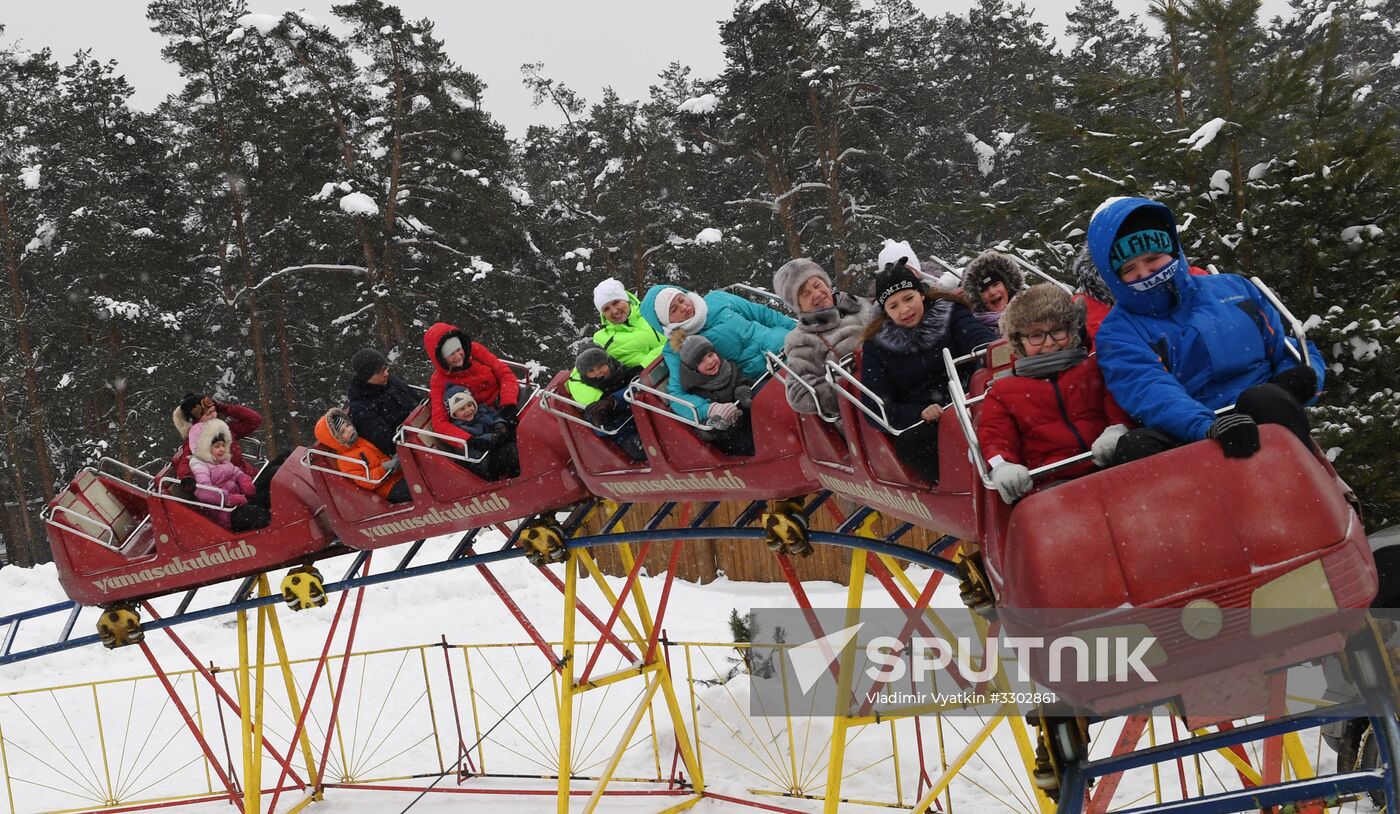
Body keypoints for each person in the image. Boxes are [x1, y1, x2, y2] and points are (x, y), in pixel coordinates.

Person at [1087, 196, 1326, 464]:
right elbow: (1150, 389)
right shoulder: (1119, 332)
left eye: (1153, 258)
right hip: (1187, 430)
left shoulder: (1233, 291)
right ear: (1113, 277)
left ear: (1173, 251)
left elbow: (1285, 348)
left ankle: (1292, 485)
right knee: (1138, 447)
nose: (1145, 273)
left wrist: (1299, 378)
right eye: (1129, 269)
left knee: (1268, 399)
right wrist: (1205, 426)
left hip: (1258, 406)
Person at [975, 284, 1134, 504]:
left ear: (1071, 330)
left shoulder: (1094, 368)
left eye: (1058, 331)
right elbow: (995, 436)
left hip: (1112, 462)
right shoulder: (1003, 392)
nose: (1049, 344)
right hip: (1053, 483)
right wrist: (1003, 465)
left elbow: (1117, 401)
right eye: (1036, 336)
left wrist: (1117, 428)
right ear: (1019, 341)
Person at [859, 258, 997, 483]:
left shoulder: (950, 313)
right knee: (912, 445)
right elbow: (875, 405)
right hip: (931, 420)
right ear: (885, 311)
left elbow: (980, 341)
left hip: (972, 399)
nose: (905, 310)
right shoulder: (876, 345)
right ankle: (963, 486)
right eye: (894, 306)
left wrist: (982, 366)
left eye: (909, 298)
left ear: (921, 293)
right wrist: (917, 413)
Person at [639, 283, 795, 422]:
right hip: (763, 377)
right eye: (674, 310)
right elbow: (676, 395)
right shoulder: (678, 346)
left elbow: (763, 315)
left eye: (681, 299)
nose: (684, 307)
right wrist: (709, 409)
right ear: (665, 322)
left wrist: (797, 330)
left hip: (789, 347)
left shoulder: (717, 300)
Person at [773, 258, 876, 420]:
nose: (816, 294)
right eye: (805, 294)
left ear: (827, 284)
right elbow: (799, 395)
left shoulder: (857, 304)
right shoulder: (801, 340)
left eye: (817, 285)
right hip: (868, 411)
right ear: (797, 305)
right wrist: (847, 387)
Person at [170, 392, 272, 531]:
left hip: (248, 481)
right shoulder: (197, 444)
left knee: (281, 468)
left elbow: (254, 419)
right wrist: (186, 477)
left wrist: (222, 407)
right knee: (272, 489)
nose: (214, 416)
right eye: (208, 414)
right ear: (196, 420)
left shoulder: (223, 430)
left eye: (214, 412)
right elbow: (185, 463)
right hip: (234, 495)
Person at [422, 321, 521, 450]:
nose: (458, 356)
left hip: (505, 403)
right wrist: (468, 440)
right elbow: (440, 423)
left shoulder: (476, 351)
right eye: (451, 354)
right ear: (442, 358)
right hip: (480, 418)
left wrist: (508, 405)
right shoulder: (438, 380)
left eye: (458, 350)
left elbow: (505, 374)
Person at [568, 278, 665, 405]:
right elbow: (576, 377)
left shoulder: (651, 311)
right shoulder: (603, 338)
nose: (614, 311)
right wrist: (603, 399)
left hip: (679, 362)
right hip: (652, 384)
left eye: (616, 302)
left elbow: (679, 336)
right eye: (606, 309)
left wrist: (644, 364)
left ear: (626, 298)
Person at [678, 335, 756, 456]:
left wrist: (742, 390)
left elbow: (743, 381)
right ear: (694, 369)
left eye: (710, 355)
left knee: (767, 420)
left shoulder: (729, 368)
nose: (710, 362)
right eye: (701, 361)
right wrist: (713, 426)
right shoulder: (696, 390)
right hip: (729, 435)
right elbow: (700, 427)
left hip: (747, 419)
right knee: (750, 443)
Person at [314, 408, 412, 504]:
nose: (348, 430)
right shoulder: (345, 461)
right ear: (336, 440)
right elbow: (366, 481)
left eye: (347, 426)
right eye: (343, 432)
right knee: (417, 488)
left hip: (398, 475)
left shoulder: (360, 441)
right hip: (388, 488)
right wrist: (385, 468)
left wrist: (394, 459)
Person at [572, 344, 646, 462]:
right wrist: (598, 418)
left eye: (601, 366)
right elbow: (599, 428)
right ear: (585, 375)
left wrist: (614, 400)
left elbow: (641, 384)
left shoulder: (625, 373)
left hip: (648, 416)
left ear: (609, 362)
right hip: (628, 433)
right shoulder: (593, 393)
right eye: (591, 371)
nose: (598, 372)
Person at [186, 418, 257, 529]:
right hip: (224, 512)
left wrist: (244, 481)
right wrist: (230, 499)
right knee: (260, 515)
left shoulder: (220, 459)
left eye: (223, 445)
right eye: (217, 446)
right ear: (206, 448)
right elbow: (205, 491)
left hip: (238, 503)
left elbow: (235, 471)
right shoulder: (199, 464)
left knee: (267, 497)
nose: (222, 449)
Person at [346, 348, 420, 455]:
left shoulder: (390, 382)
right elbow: (388, 442)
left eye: (385, 368)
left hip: (421, 428)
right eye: (380, 372)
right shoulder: (362, 408)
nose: (386, 373)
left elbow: (416, 397)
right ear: (367, 377)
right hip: (410, 445)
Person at [445, 386, 520, 480]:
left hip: (496, 445)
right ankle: (523, 471)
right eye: (462, 409)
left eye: (469, 405)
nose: (468, 410)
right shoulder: (459, 429)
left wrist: (500, 425)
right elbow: (472, 448)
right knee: (511, 451)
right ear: (454, 414)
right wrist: (491, 438)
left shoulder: (481, 411)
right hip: (483, 462)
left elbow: (495, 416)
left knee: (518, 433)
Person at [962, 250, 1026, 332]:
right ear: (977, 298)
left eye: (996, 285)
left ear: (1007, 287)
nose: (992, 292)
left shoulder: (1031, 310)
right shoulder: (976, 330)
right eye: (984, 290)